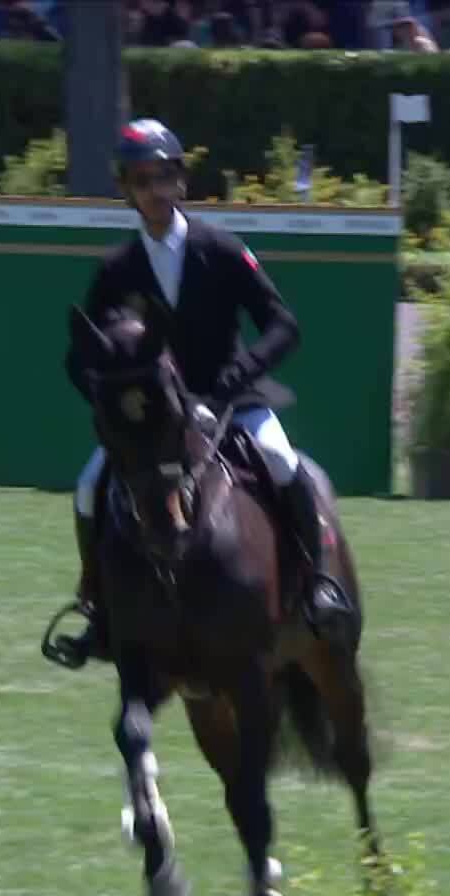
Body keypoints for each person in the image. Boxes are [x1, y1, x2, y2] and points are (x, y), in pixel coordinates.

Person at [49, 117, 353, 669]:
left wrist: (232, 383)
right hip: (156, 424)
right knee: (90, 486)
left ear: (181, 181)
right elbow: (80, 357)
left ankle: (318, 586)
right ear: (126, 190)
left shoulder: (221, 249)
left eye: (163, 177)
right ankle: (97, 607)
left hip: (231, 402)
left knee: (283, 462)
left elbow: (283, 326)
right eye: (141, 180)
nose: (154, 190)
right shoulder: (116, 269)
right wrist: (115, 408)